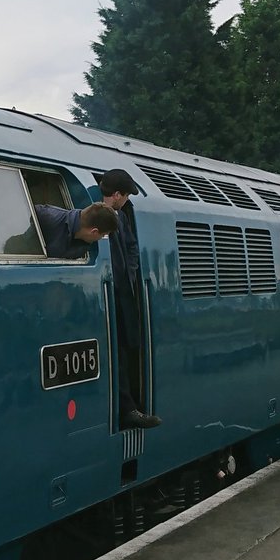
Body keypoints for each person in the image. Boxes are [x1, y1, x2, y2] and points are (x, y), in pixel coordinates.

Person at [98, 169, 161, 430]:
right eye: (125, 196)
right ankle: (125, 409)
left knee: (124, 350)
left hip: (123, 293)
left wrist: (130, 272)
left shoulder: (121, 218)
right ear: (116, 195)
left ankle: (128, 407)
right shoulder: (96, 217)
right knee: (116, 353)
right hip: (108, 296)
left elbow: (132, 247)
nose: (126, 201)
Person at [34, 202, 118, 259]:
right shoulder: (46, 216)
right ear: (94, 232)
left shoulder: (83, 246)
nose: (101, 238)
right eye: (103, 235)